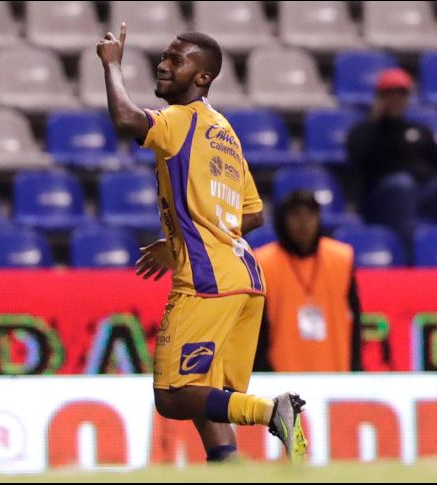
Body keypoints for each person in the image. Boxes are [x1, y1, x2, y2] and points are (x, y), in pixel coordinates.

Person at [97, 24, 306, 463]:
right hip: (245, 277)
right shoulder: (224, 132)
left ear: (202, 77)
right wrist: (180, 240)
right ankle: (227, 465)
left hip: (206, 280)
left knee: (173, 396)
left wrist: (112, 65)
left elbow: (126, 119)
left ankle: (272, 411)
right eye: (164, 57)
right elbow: (252, 214)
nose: (163, 65)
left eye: (176, 60)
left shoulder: (180, 119)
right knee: (207, 393)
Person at [346, 68, 437, 250]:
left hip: (422, 193)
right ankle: (410, 255)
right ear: (379, 97)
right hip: (382, 198)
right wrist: (378, 124)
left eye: (401, 93)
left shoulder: (420, 130)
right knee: (402, 184)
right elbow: (359, 164)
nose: (396, 99)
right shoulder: (363, 132)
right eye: (389, 93)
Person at [254, 190, 362, 373]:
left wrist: (355, 370)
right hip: (281, 379)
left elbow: (355, 324)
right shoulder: (263, 262)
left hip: (336, 376)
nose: (303, 222)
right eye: (295, 214)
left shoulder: (341, 258)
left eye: (310, 214)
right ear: (282, 219)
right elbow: (257, 330)